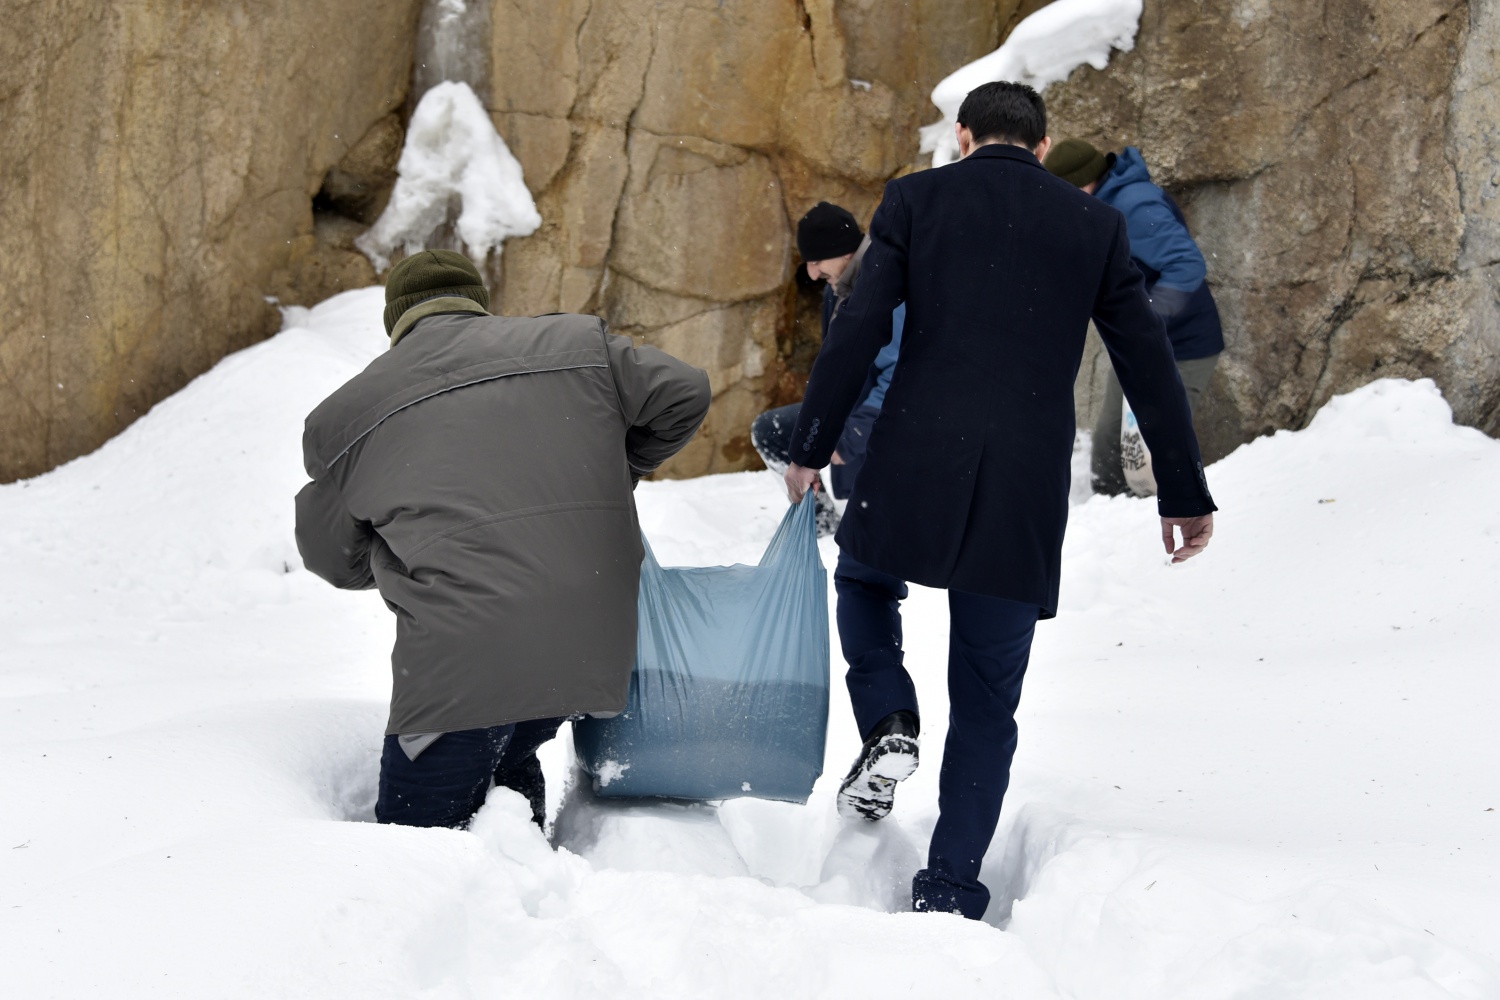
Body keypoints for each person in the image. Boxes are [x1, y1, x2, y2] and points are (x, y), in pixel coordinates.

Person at [783, 82, 1217, 919]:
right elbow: (1147, 362)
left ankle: (890, 718)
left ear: (963, 134)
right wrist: (1183, 489)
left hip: (913, 459)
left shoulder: (918, 198)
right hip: (1021, 488)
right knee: (988, 696)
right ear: (1045, 147)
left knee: (865, 585)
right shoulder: (1095, 224)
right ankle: (948, 886)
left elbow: (861, 326)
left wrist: (810, 448)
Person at [295, 249, 710, 831]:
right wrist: (610, 473)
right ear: (477, 304)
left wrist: (408, 546)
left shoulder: (350, 415)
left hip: (457, 673)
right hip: (585, 650)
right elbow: (685, 391)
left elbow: (329, 557)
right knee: (510, 758)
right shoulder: (576, 344)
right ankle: (526, 879)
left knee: (413, 849)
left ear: (397, 322)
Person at [1043, 138, 1225, 495]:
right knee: (1112, 446)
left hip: (1184, 347)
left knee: (1159, 452)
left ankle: (1163, 531)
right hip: (1139, 349)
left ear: (1081, 183)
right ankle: (1107, 513)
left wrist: (1148, 318)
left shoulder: (1134, 206)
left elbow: (1187, 264)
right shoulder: (1099, 207)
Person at [750, 202, 906, 536]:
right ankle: (821, 522)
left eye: (817, 261)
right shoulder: (839, 290)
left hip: (891, 419)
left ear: (844, 252)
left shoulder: (885, 283)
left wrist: (855, 431)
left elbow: (899, 371)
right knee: (772, 430)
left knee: (873, 528)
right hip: (854, 407)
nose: (812, 273)